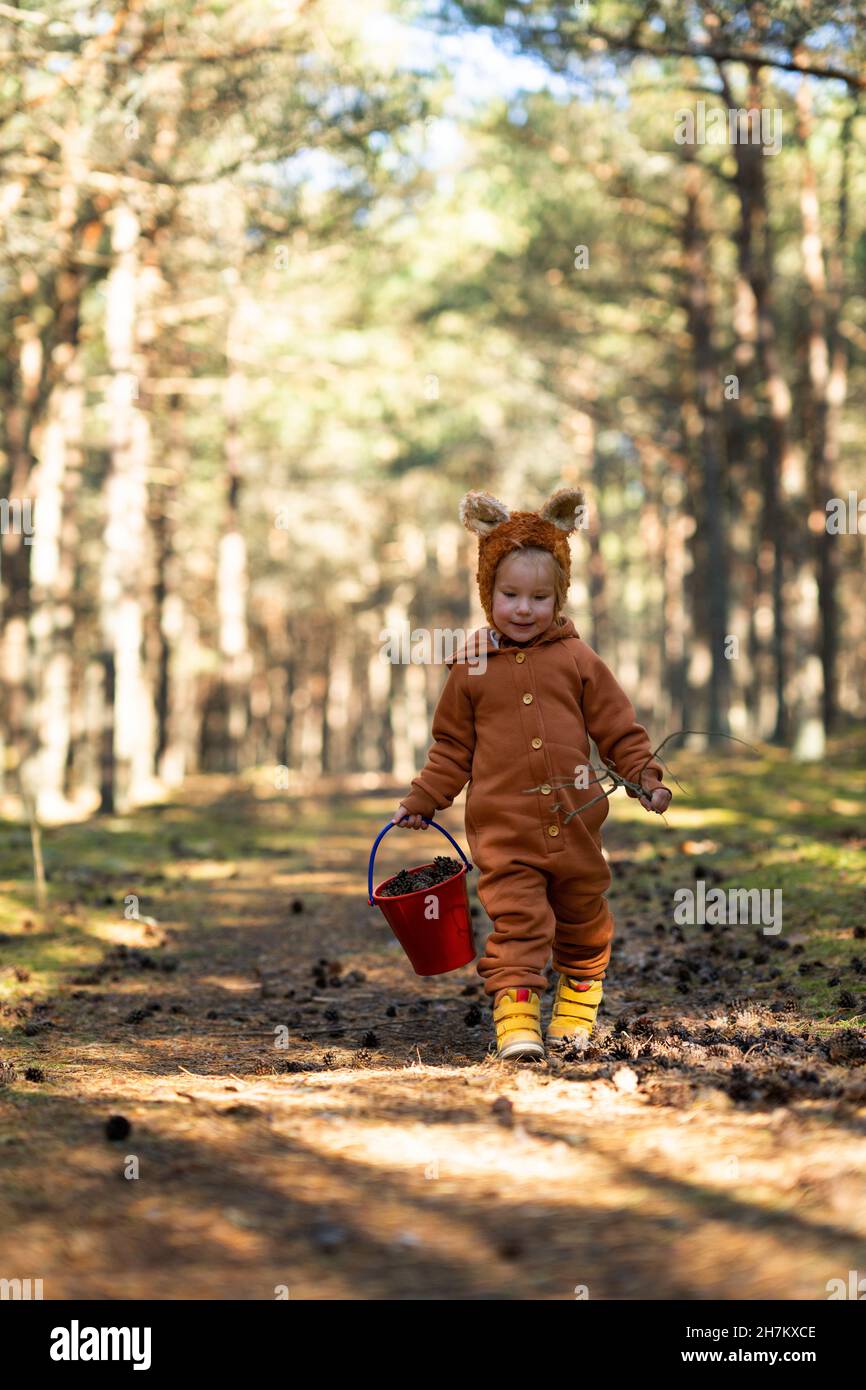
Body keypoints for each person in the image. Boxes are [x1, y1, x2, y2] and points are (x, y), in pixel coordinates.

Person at [392, 487, 672, 1062]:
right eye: (510, 594)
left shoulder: (578, 660)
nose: (524, 609)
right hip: (504, 833)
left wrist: (644, 776)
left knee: (585, 920)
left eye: (539, 597)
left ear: (559, 596)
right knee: (517, 923)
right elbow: (451, 747)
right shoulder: (470, 668)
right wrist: (424, 799)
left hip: (576, 829)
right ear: (487, 594)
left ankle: (575, 1006)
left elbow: (617, 728)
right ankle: (517, 1022)